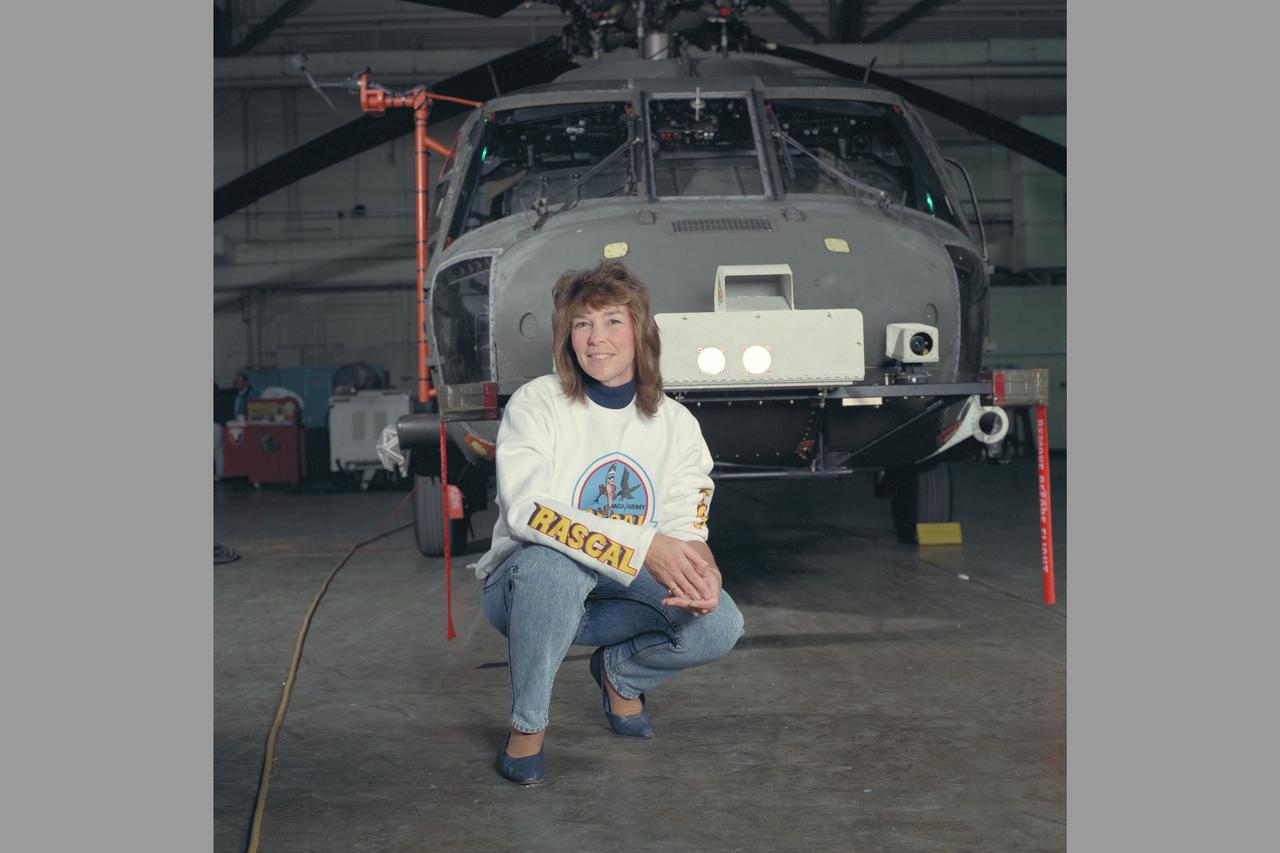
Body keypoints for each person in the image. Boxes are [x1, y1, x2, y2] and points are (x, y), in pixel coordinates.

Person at [477, 260, 744, 785]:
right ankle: (527, 728)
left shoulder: (675, 423)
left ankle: (619, 675)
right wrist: (645, 546)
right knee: (555, 566)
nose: (596, 338)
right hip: (526, 589)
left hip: (614, 595)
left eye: (612, 321)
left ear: (640, 331)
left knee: (719, 624)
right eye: (582, 324)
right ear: (567, 337)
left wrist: (702, 570)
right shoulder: (538, 403)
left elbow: (687, 524)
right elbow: (528, 511)